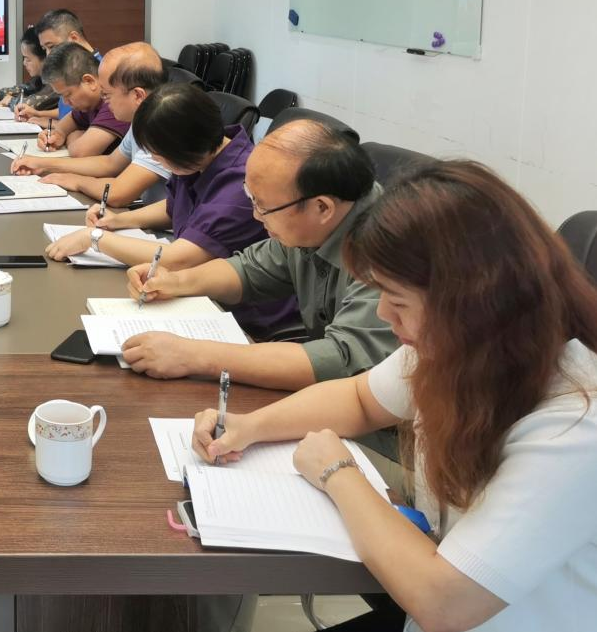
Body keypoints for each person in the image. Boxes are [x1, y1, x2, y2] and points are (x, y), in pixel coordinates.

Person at [192, 161, 597, 632]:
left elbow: (445, 604)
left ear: (473, 302)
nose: (384, 314)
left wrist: (337, 472)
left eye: (398, 300)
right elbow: (360, 398)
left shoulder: (574, 425)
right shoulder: (467, 348)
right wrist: (251, 426)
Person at [123, 119, 399, 455]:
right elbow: (252, 269)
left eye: (262, 206)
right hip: (334, 409)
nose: (255, 216)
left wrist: (192, 356)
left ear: (322, 207)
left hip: (390, 441)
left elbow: (341, 360)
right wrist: (176, 281)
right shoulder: (314, 221)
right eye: (251, 199)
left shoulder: (389, 249)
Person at [44, 82, 299, 336]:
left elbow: (178, 259)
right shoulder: (202, 158)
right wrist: (118, 221)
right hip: (197, 294)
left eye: (157, 155)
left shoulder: (240, 185)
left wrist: (95, 238)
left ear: (184, 148)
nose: (156, 161)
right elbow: (174, 207)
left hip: (245, 319)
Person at [12, 42, 167, 203]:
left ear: (138, 96)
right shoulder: (140, 121)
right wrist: (43, 164)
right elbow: (110, 163)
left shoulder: (161, 128)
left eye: (107, 95)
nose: (105, 100)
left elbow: (118, 193)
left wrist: (77, 181)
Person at [31, 42, 131, 157]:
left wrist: (72, 136)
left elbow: (81, 151)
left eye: (67, 94)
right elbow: (63, 127)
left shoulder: (113, 103)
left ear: (89, 81)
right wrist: (55, 135)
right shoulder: (89, 104)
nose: (65, 102)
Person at [17, 8, 102, 122]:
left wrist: (53, 125)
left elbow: (87, 121)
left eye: (51, 46)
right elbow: (69, 112)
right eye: (44, 49)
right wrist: (38, 114)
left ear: (73, 38)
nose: (48, 55)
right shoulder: (68, 67)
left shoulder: (102, 72)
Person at [0, 25, 58, 119]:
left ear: (45, 58)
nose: (24, 63)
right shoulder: (40, 79)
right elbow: (23, 88)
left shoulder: (57, 81)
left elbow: (31, 104)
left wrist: (10, 101)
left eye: (28, 59)